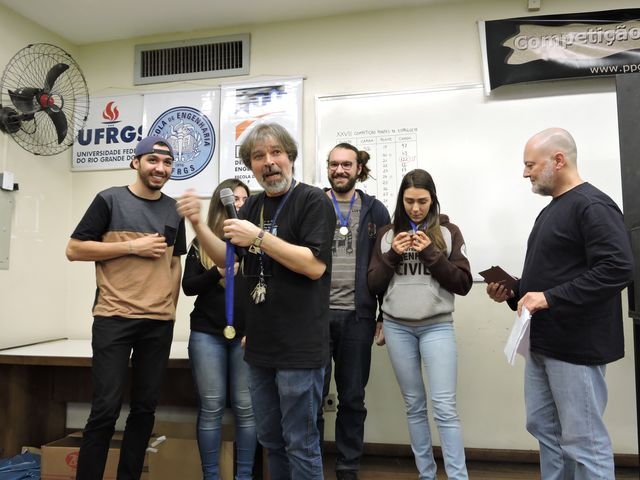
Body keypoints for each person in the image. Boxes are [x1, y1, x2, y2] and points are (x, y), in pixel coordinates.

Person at [177, 122, 336, 480]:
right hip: (259, 345)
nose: (269, 162)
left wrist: (259, 238)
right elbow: (228, 261)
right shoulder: (252, 206)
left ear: (290, 157)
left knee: (301, 443)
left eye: (276, 152)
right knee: (271, 441)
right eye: (259, 156)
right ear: (251, 166)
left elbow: (313, 266)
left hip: (299, 346)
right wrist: (198, 225)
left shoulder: (313, 200)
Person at [486, 128, 634, 479]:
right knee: (544, 429)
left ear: (558, 159)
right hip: (543, 343)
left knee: (584, 440)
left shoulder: (592, 205)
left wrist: (549, 297)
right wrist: (515, 292)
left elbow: (618, 268)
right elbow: (553, 278)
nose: (525, 173)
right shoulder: (551, 210)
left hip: (575, 347)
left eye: (530, 165)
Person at [66, 135, 186, 480]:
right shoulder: (109, 199)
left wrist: (170, 307)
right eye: (153, 160)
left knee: (145, 411)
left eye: (167, 163)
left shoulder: (175, 209)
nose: (160, 168)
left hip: (158, 322)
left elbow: (173, 262)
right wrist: (132, 247)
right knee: (105, 410)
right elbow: (74, 249)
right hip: (113, 317)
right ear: (136, 162)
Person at [368, 168, 471, 480]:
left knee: (445, 407)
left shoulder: (449, 232)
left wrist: (430, 252)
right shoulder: (387, 235)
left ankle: (458, 477)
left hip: (437, 326)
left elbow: (463, 283)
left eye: (422, 202)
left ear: (433, 200)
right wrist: (392, 256)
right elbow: (373, 284)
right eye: (409, 201)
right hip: (397, 327)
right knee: (414, 405)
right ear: (401, 201)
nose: (415, 208)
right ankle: (426, 474)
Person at [317, 143, 390, 480]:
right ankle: (311, 463)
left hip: (358, 317)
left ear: (359, 168)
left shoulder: (376, 211)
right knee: (311, 396)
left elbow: (388, 266)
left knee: (352, 398)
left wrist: (383, 314)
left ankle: (348, 467)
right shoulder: (314, 203)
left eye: (347, 164)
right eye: (334, 164)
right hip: (315, 317)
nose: (339, 170)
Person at [182, 178, 256, 480]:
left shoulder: (256, 243)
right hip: (207, 335)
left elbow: (264, 291)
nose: (239, 203)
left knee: (246, 408)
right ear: (219, 204)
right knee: (211, 407)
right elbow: (188, 287)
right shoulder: (202, 242)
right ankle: (210, 476)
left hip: (245, 336)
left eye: (244, 199)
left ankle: (244, 476)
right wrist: (216, 272)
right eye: (233, 198)